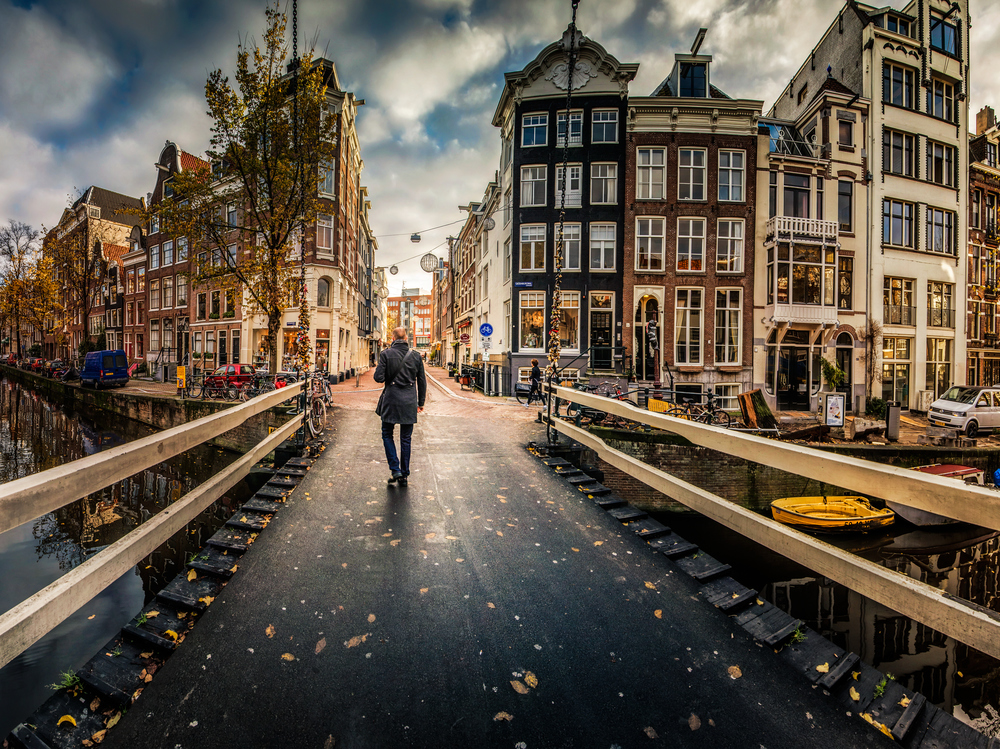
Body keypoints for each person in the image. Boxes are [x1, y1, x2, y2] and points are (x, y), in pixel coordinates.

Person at [374, 327, 427, 487]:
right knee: (406, 438)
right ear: (406, 339)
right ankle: (404, 475)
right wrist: (421, 403)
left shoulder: (386, 354)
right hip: (409, 401)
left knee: (387, 434)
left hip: (391, 399)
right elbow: (422, 381)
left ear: (393, 337)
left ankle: (395, 469)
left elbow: (378, 378)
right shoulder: (416, 356)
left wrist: (387, 372)